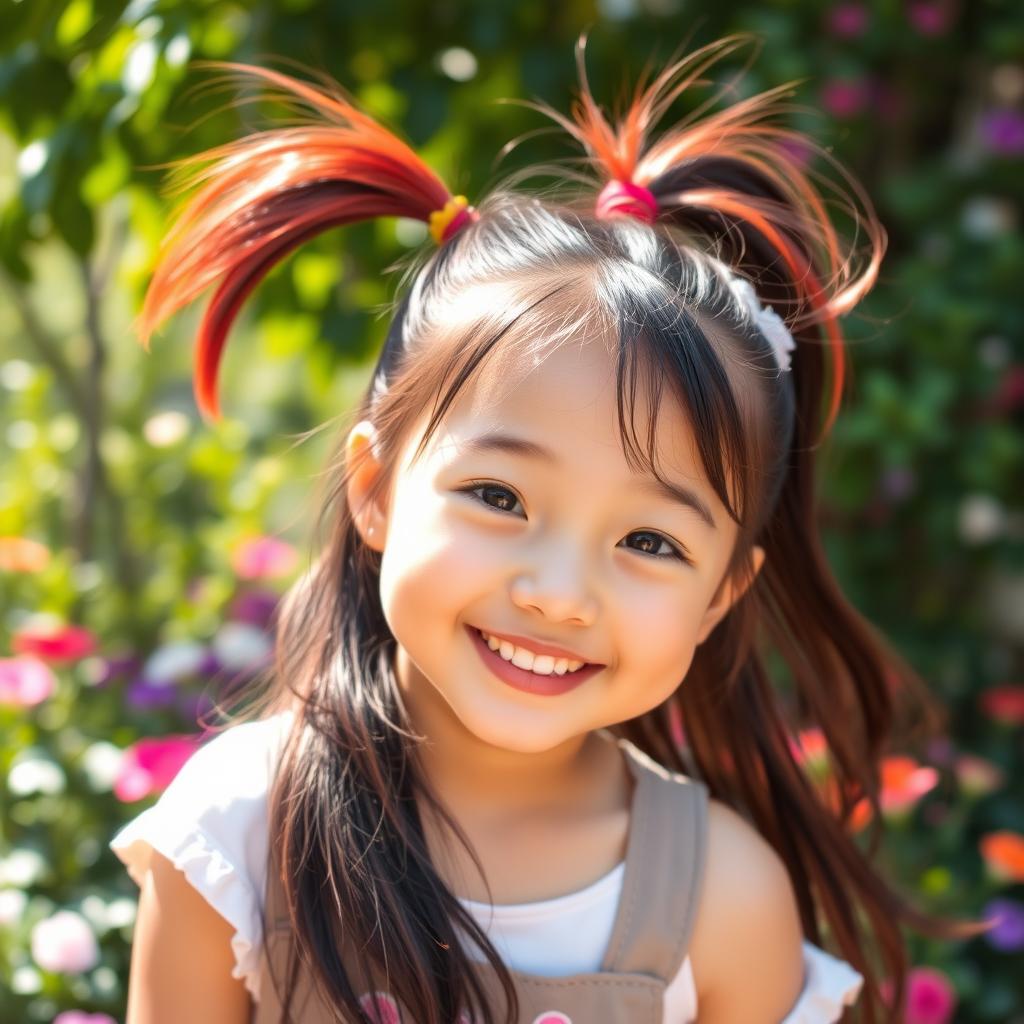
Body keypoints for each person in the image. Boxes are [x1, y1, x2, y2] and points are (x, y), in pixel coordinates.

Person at [109, 33, 987, 1024]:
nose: (557, 591)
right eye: (499, 497)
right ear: (376, 489)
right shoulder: (242, 832)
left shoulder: (722, 900)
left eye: (650, 542)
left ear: (721, 593)